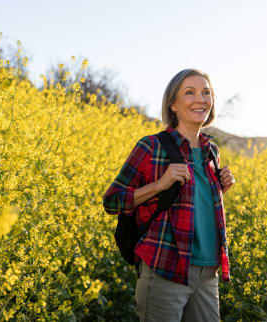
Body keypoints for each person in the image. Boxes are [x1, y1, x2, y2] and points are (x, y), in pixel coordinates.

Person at [102, 68, 235, 322]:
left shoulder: (211, 151)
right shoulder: (151, 146)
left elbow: (193, 206)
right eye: (190, 92)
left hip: (207, 273)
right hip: (165, 270)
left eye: (206, 92)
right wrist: (159, 185)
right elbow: (112, 200)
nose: (200, 99)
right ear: (173, 104)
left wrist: (219, 187)